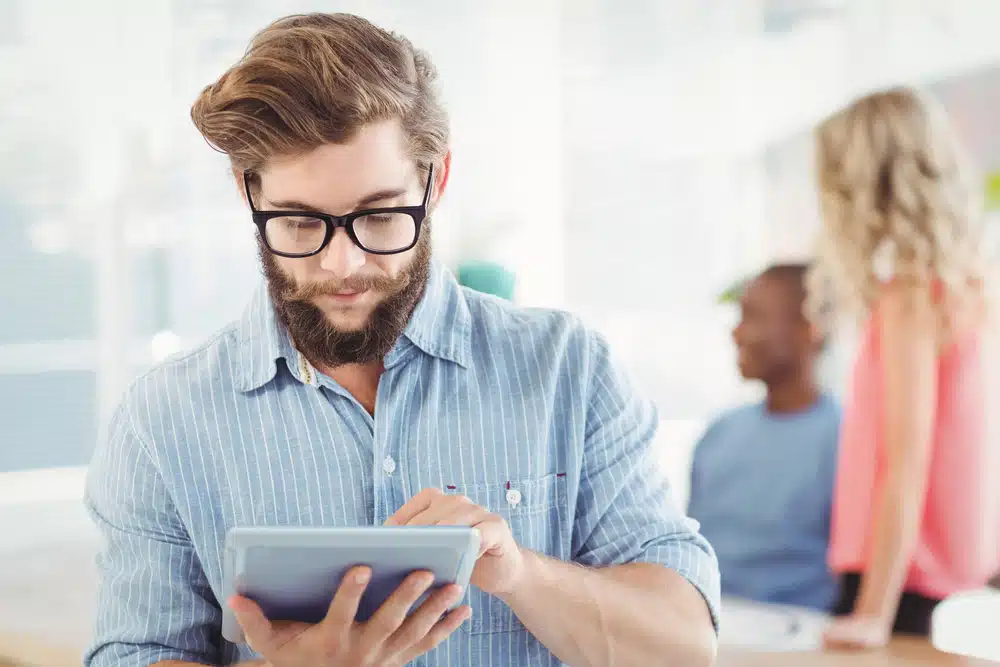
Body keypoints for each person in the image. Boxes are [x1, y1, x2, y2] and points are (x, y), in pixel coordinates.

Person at [83, 13, 720, 667]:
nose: (342, 265)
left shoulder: (570, 370)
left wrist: (522, 574)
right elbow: (135, 652)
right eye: (301, 223)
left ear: (435, 181)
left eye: (380, 216)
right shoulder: (161, 420)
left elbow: (686, 644)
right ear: (249, 192)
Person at [808, 87, 997, 649]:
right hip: (943, 577)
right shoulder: (966, 291)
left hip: (901, 583)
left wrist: (872, 612)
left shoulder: (911, 298)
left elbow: (905, 463)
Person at [687, 264, 840, 611]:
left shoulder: (842, 439)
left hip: (799, 631)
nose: (737, 334)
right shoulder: (720, 431)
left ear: (809, 329)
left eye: (753, 317)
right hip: (704, 620)